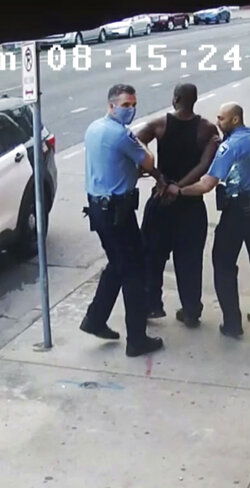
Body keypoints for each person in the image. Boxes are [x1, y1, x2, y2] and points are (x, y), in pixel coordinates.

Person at [162, 102, 250, 338]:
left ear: (234, 120)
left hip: (237, 213)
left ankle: (232, 323)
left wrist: (179, 190)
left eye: (221, 119)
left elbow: (207, 184)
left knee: (223, 264)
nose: (218, 122)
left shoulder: (230, 147)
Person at [79, 84, 168, 357]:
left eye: (133, 105)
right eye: (125, 105)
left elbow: (115, 163)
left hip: (99, 209)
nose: (130, 109)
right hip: (118, 213)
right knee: (134, 272)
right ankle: (137, 339)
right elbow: (149, 161)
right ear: (111, 106)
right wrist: (138, 143)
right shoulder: (120, 135)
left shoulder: (94, 128)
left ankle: (95, 319)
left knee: (117, 265)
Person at [135, 83, 220, 328]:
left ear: (175, 99)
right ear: (194, 100)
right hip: (191, 203)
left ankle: (152, 305)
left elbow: (136, 146)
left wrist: (160, 178)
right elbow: (204, 165)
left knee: (152, 256)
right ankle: (191, 310)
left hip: (161, 201)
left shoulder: (159, 125)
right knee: (190, 261)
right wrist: (180, 188)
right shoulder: (206, 129)